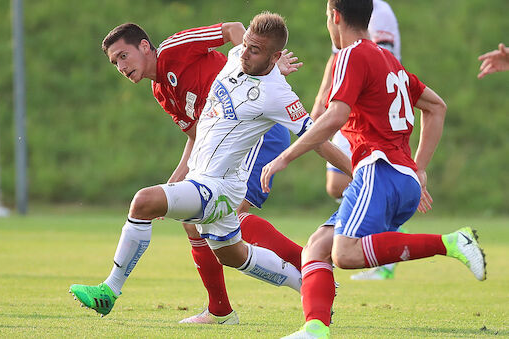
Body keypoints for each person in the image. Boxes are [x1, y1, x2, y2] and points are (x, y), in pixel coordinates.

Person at [69, 12, 352, 321]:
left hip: (244, 156)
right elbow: (198, 136)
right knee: (228, 250)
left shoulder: (184, 52)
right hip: (211, 173)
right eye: (115, 62)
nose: (121, 66)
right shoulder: (175, 84)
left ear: (146, 47)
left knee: (148, 202)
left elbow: (317, 138)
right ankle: (294, 286)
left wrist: (267, 71)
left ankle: (110, 289)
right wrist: (176, 182)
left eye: (124, 56)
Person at [259, 1, 487, 337]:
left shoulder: (350, 55)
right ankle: (314, 330)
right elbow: (436, 107)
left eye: (326, 17)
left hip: (378, 171)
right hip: (398, 177)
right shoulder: (388, 59)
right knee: (317, 248)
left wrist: (285, 157)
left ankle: (452, 242)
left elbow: (334, 116)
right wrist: (418, 170)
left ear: (334, 16)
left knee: (345, 254)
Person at [311, 0, 404, 281]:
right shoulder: (344, 11)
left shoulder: (378, 11)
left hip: (367, 106)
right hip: (348, 98)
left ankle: (384, 237)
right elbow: (336, 56)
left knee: (357, 179)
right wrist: (320, 100)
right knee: (336, 184)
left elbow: (379, 60)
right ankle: (373, 221)